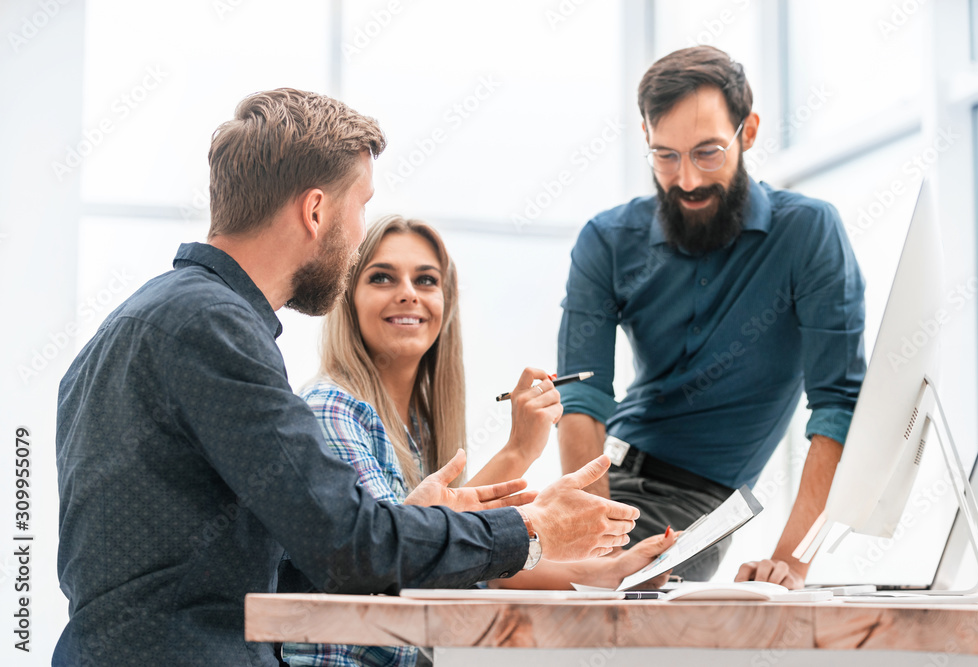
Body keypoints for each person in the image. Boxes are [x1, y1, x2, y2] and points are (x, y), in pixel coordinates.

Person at [54, 88, 642, 667]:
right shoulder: (214, 328)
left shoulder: (141, 320)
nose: (360, 235)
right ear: (315, 211)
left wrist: (412, 519)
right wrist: (532, 528)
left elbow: (240, 567)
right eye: (361, 206)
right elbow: (347, 547)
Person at [281, 215, 676, 667]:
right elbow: (402, 562)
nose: (408, 292)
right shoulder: (332, 409)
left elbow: (465, 560)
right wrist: (519, 457)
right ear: (347, 299)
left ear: (446, 303)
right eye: (382, 277)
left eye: (426, 279)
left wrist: (607, 571)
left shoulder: (417, 427)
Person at [556, 46, 866, 588]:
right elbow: (581, 396)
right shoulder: (606, 240)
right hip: (601, 486)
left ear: (747, 134)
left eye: (707, 153)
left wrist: (790, 563)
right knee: (467, 562)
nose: (688, 180)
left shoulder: (808, 234)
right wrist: (594, 543)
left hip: (693, 510)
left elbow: (838, 406)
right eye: (665, 156)